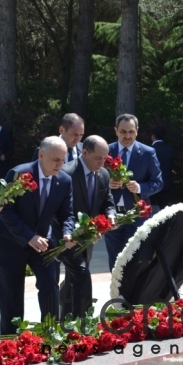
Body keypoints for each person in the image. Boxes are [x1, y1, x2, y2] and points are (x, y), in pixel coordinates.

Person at [0, 136, 76, 335]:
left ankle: (50, 332)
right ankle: (10, 339)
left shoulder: (64, 180)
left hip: (42, 241)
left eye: (63, 159)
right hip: (10, 240)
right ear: (41, 155)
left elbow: (67, 213)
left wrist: (68, 233)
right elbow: (5, 211)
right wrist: (28, 236)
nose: (60, 165)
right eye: (56, 160)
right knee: (12, 295)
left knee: (50, 284)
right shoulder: (19, 174)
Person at [58, 136, 116, 320]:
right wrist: (71, 232)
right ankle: (83, 323)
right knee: (82, 275)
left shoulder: (104, 175)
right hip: (66, 236)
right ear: (84, 152)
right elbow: (58, 208)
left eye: (105, 158)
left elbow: (107, 201)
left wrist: (111, 215)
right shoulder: (67, 173)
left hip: (88, 239)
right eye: (97, 158)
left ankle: (65, 318)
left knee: (73, 278)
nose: (101, 162)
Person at [105, 114, 163, 272]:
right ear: (116, 131)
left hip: (137, 214)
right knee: (115, 259)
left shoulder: (147, 152)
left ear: (137, 131)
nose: (127, 136)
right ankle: (117, 294)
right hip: (112, 214)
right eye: (123, 132)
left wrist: (139, 188)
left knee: (136, 258)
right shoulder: (106, 152)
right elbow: (93, 179)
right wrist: (106, 183)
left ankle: (133, 294)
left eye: (131, 131)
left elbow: (158, 183)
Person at [150, 126, 174, 210]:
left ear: (153, 136)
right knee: (164, 210)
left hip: (151, 185)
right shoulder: (169, 149)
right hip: (166, 183)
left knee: (150, 210)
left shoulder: (149, 150)